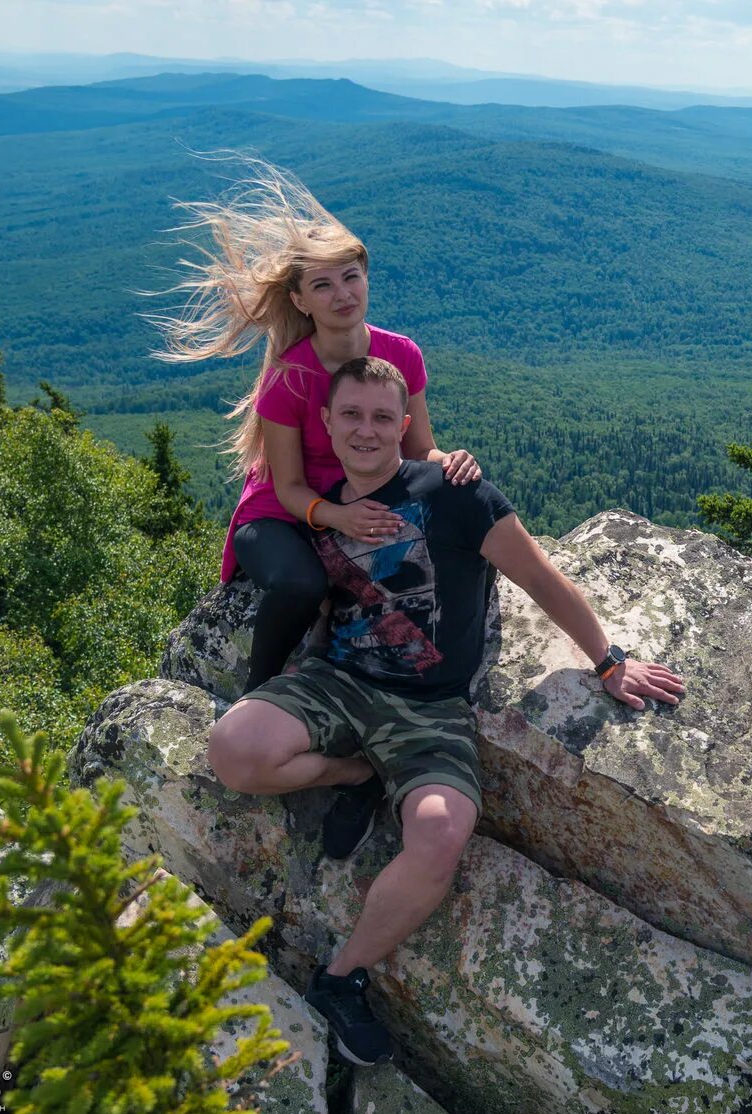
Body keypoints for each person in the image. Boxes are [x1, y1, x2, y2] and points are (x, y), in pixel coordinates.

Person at [205, 357, 686, 1066]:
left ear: (404, 426)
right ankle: (354, 771)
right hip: (338, 680)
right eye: (351, 416)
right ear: (329, 426)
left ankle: (341, 977)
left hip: (430, 705)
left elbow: (538, 574)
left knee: (439, 831)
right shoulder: (321, 504)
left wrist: (609, 661)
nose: (366, 430)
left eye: (381, 418)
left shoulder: (455, 492)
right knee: (230, 749)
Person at [150, 155, 481, 695]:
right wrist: (341, 519)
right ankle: (258, 695)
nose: (342, 294)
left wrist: (453, 462)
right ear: (300, 300)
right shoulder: (289, 377)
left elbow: (421, 448)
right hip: (283, 513)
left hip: (366, 492)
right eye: (323, 285)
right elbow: (286, 485)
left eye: (351, 277)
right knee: (302, 584)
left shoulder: (403, 355)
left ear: (368, 279)